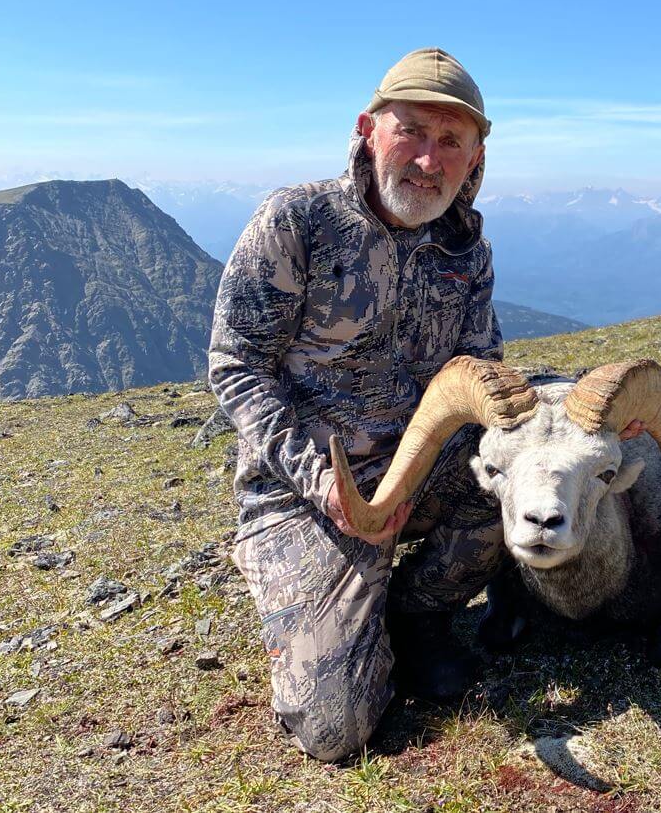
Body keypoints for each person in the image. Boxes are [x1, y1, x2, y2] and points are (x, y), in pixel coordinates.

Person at [208, 48, 506, 762]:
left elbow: (479, 371)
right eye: (411, 132)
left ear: (475, 157)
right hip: (309, 488)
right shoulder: (298, 221)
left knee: (529, 483)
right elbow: (237, 366)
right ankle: (294, 570)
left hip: (423, 464)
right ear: (368, 128)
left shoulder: (465, 248)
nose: (428, 161)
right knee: (335, 729)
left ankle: (420, 612)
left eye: (450, 142)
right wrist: (325, 489)